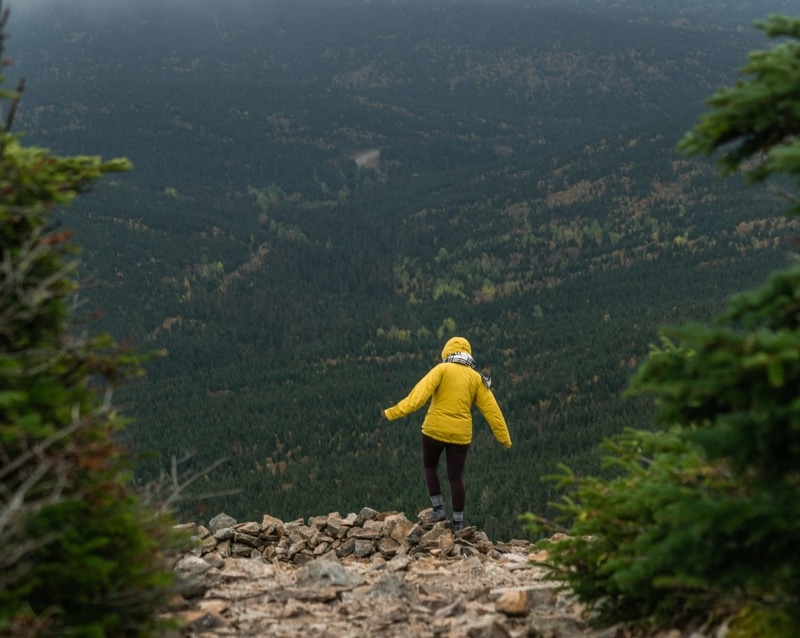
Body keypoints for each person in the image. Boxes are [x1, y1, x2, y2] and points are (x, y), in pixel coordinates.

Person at [382, 336, 512, 531]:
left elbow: (417, 397)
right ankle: (458, 522)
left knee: (430, 466)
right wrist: (504, 438)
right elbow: (492, 411)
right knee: (456, 477)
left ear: (447, 352)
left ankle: (438, 509)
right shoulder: (477, 378)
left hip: (434, 429)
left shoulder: (441, 369)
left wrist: (392, 413)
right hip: (461, 435)